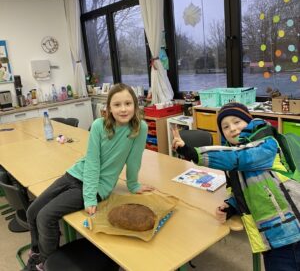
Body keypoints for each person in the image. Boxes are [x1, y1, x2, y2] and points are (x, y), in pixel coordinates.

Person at [26, 83, 153, 271]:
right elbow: (92, 162)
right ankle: (37, 253)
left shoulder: (139, 128)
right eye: (117, 105)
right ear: (109, 108)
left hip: (98, 186)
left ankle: (45, 264)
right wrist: (89, 196)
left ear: (135, 105)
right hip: (75, 174)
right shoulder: (99, 126)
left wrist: (132, 185)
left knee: (45, 217)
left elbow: (134, 160)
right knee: (32, 211)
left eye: (128, 103)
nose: (123, 109)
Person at [172, 102, 300, 271]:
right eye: (225, 127)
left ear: (249, 122)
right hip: (270, 233)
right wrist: (232, 206)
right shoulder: (234, 153)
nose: (232, 128)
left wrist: (193, 153)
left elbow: (240, 158)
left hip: (289, 228)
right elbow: (240, 188)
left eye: (237, 122)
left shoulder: (266, 143)